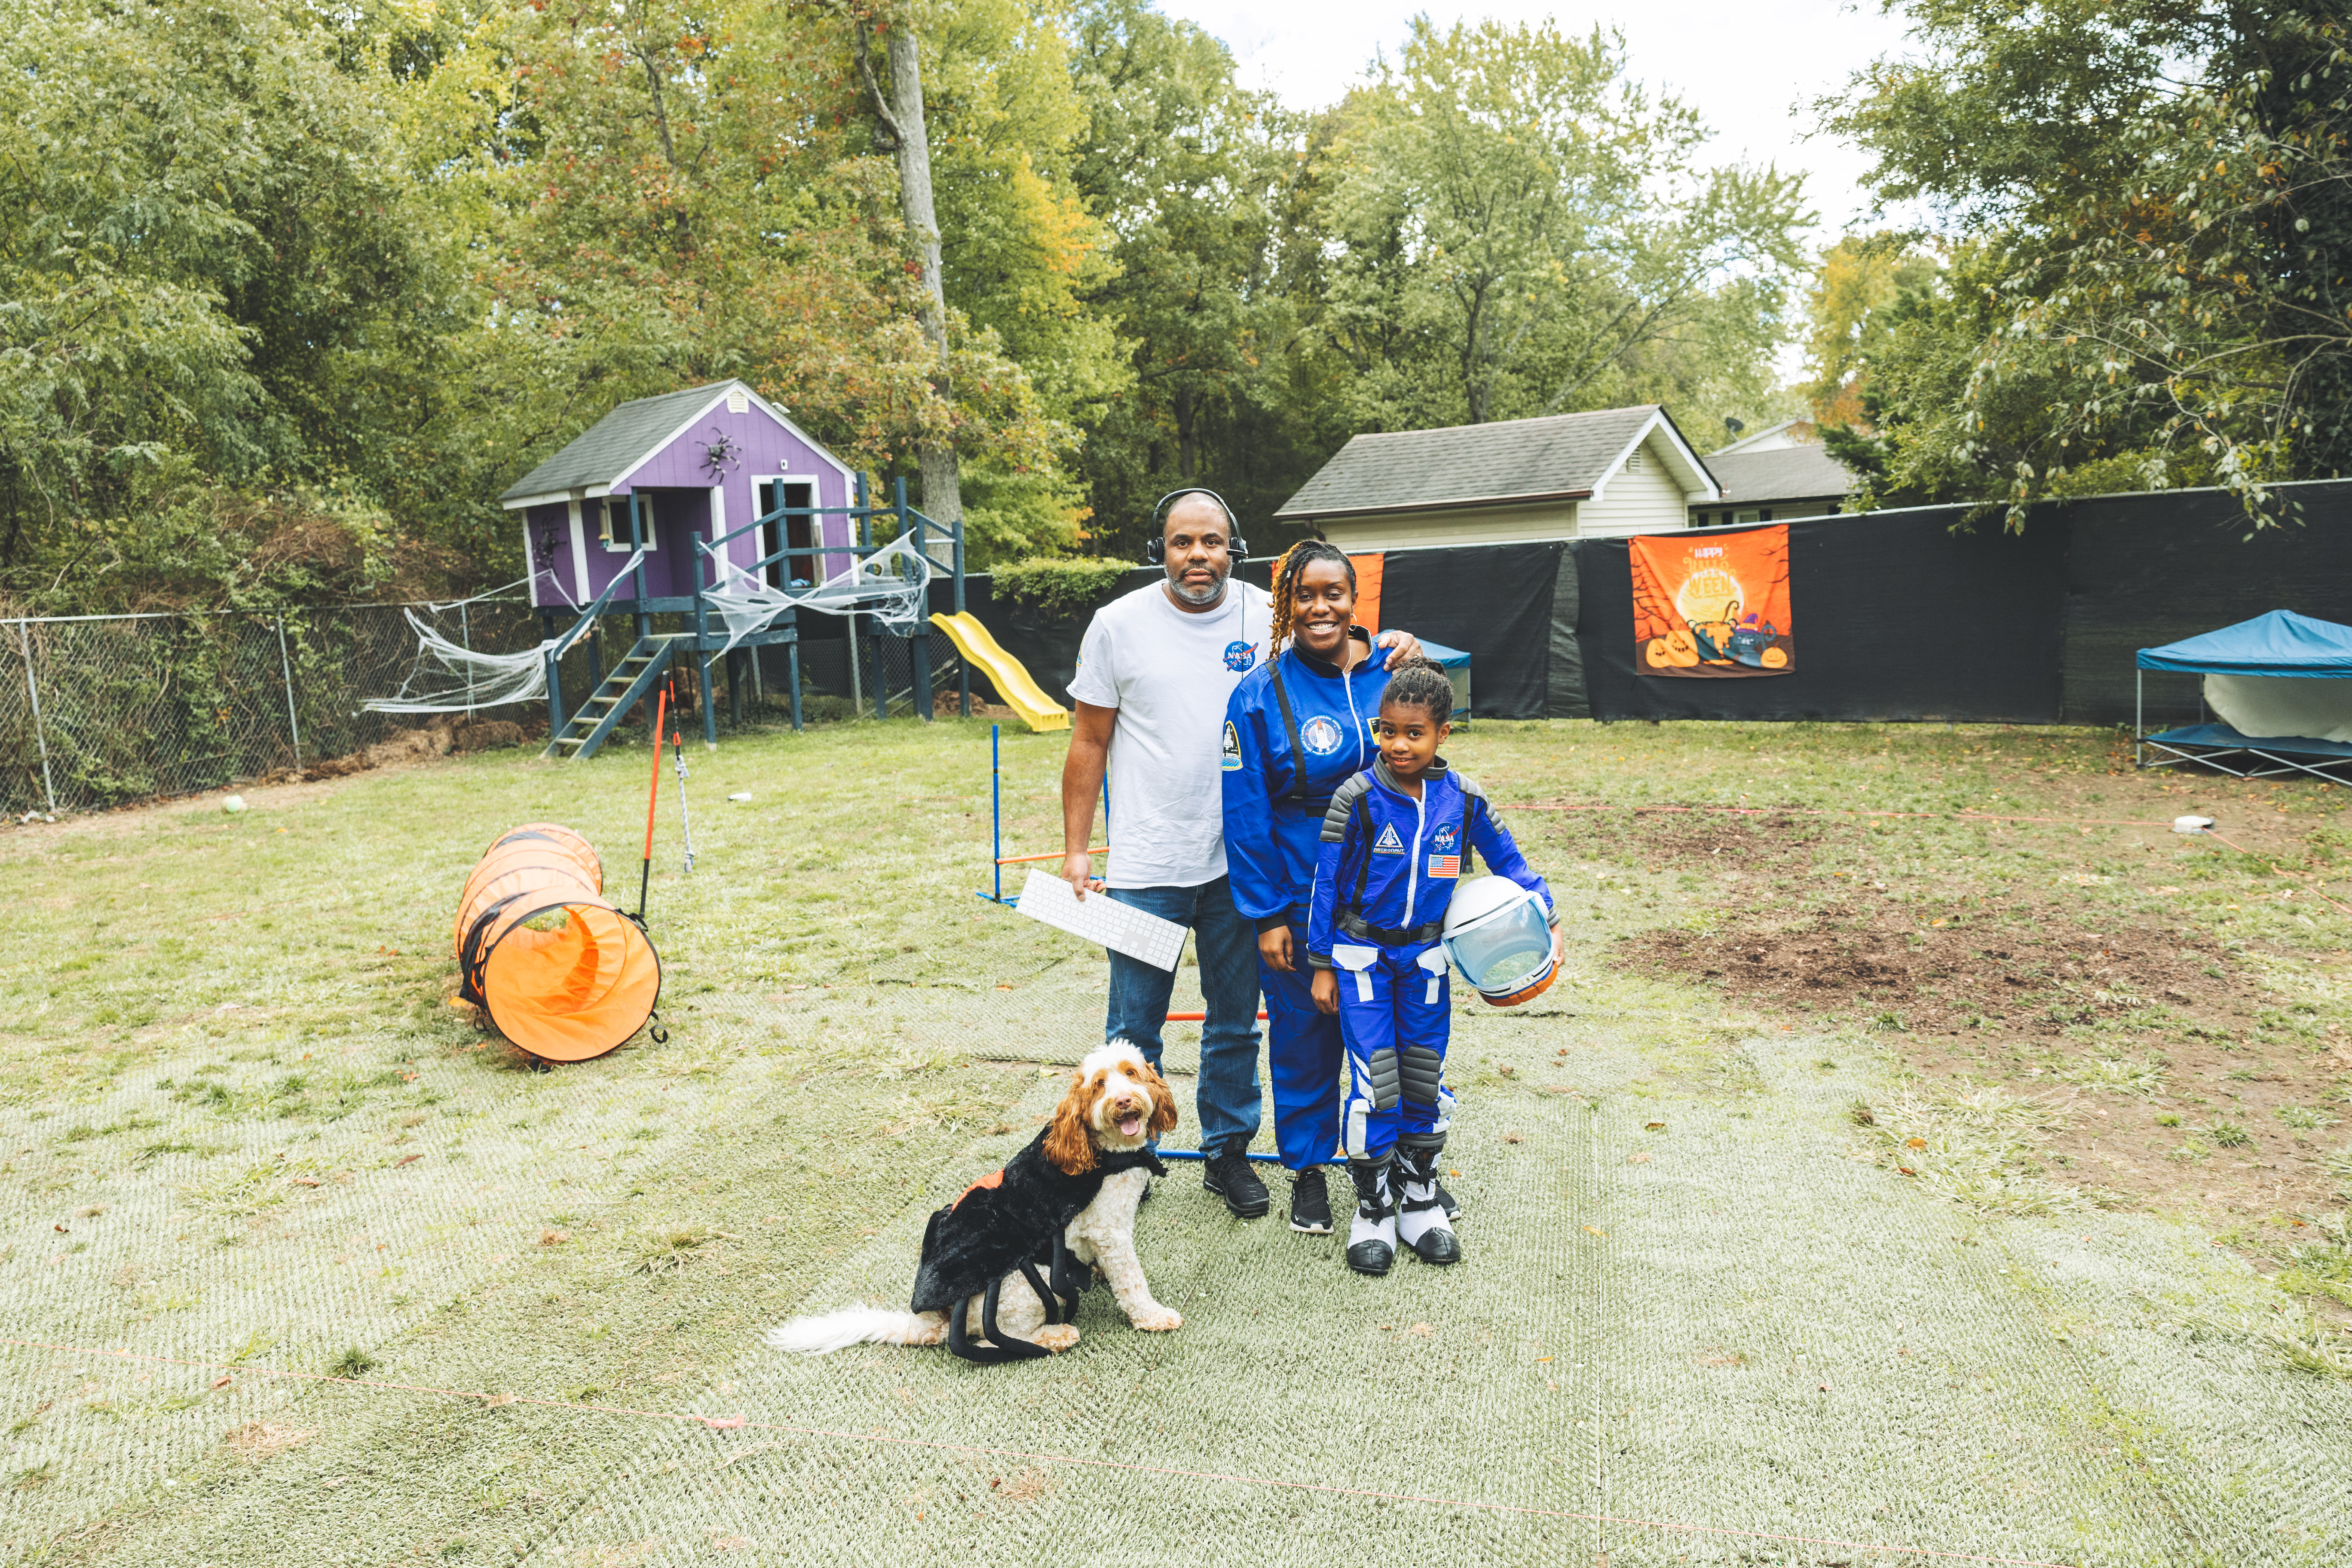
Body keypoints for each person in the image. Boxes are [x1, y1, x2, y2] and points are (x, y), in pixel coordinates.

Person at [1060, 494, 1417, 1219]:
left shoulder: (1270, 614)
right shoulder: (1116, 626)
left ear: (1235, 548)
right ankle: (1121, 1162)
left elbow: (1338, 648)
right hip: (1146, 864)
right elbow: (1089, 741)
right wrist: (1076, 849)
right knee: (1133, 1027)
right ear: (1160, 548)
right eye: (1182, 542)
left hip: (1239, 868)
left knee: (1234, 1021)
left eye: (1214, 542)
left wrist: (1393, 644)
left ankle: (1226, 1153)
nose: (1199, 556)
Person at [1222, 542, 1454, 1237]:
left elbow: (1429, 751)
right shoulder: (1259, 693)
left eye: (1334, 594)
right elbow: (1244, 811)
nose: (1320, 608)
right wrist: (1267, 915)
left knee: (1400, 1038)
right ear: (1284, 606)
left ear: (1357, 599)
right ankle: (1311, 1170)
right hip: (1300, 894)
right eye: (1304, 596)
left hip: (1390, 904)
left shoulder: (1393, 668)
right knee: (1303, 1034)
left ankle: (1406, 1172)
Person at [1305, 660, 1555, 1276]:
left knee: (1423, 1078)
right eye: (1387, 731)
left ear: (1444, 732)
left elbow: (1515, 868)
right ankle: (1373, 1209)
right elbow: (1325, 886)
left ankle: (1419, 1202)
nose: (1398, 745)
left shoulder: (1465, 800)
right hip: (1362, 960)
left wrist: (1545, 914)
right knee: (1376, 1082)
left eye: (1413, 733)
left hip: (1426, 962)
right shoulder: (1356, 799)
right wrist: (1320, 964)